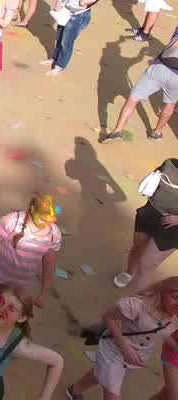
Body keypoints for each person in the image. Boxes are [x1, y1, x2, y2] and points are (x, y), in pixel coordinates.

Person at [65, 278, 178, 400]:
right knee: (112, 394)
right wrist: (125, 346)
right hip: (114, 350)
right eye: (175, 297)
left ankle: (74, 390)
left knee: (101, 374)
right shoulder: (136, 305)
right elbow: (108, 317)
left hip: (134, 358)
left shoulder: (173, 316)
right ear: (161, 291)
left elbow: (164, 333)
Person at [0, 194, 62, 307]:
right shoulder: (12, 221)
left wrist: (44, 293)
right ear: (33, 210)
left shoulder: (54, 235)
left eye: (52, 221)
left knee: (9, 316)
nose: (48, 225)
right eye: (43, 220)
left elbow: (49, 263)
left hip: (22, 286)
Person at [113, 159, 178, 289]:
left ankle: (141, 301)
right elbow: (152, 181)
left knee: (146, 265)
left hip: (173, 228)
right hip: (150, 213)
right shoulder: (170, 164)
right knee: (137, 247)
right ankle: (129, 272)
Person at [45, 0, 107, 76]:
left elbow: (84, 2)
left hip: (78, 17)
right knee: (59, 37)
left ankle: (59, 67)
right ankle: (54, 59)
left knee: (66, 42)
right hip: (65, 11)